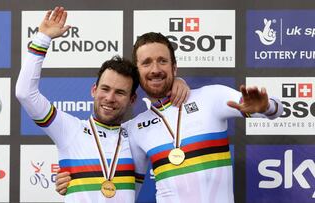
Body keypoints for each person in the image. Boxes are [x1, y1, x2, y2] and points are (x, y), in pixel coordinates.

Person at [56, 31, 284, 202]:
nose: (155, 69)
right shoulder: (135, 128)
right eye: (146, 63)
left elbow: (278, 110)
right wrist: (73, 181)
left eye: (162, 61)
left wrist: (266, 107)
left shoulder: (212, 97)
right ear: (138, 73)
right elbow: (119, 183)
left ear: (175, 68)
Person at [16, 7, 189, 203]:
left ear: (132, 100)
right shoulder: (69, 129)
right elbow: (25, 93)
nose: (110, 98)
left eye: (120, 92)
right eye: (105, 89)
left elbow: (174, 115)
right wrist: (43, 39)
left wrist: (177, 81)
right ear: (93, 90)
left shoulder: (137, 132)